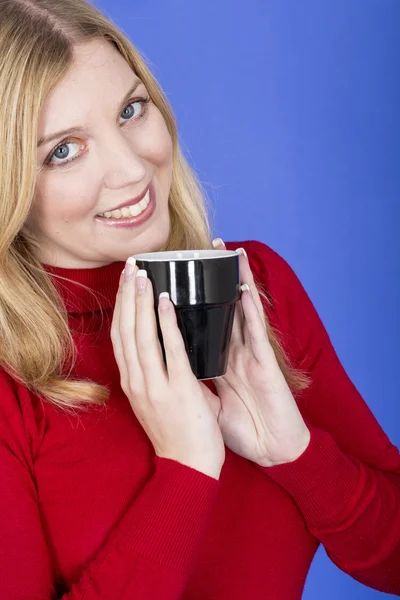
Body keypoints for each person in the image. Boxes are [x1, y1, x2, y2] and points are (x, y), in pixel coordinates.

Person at [0, 0, 399, 598]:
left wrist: (298, 454)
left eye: (131, 111)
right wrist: (185, 469)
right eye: (63, 149)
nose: (133, 169)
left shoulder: (255, 286)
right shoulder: (11, 385)